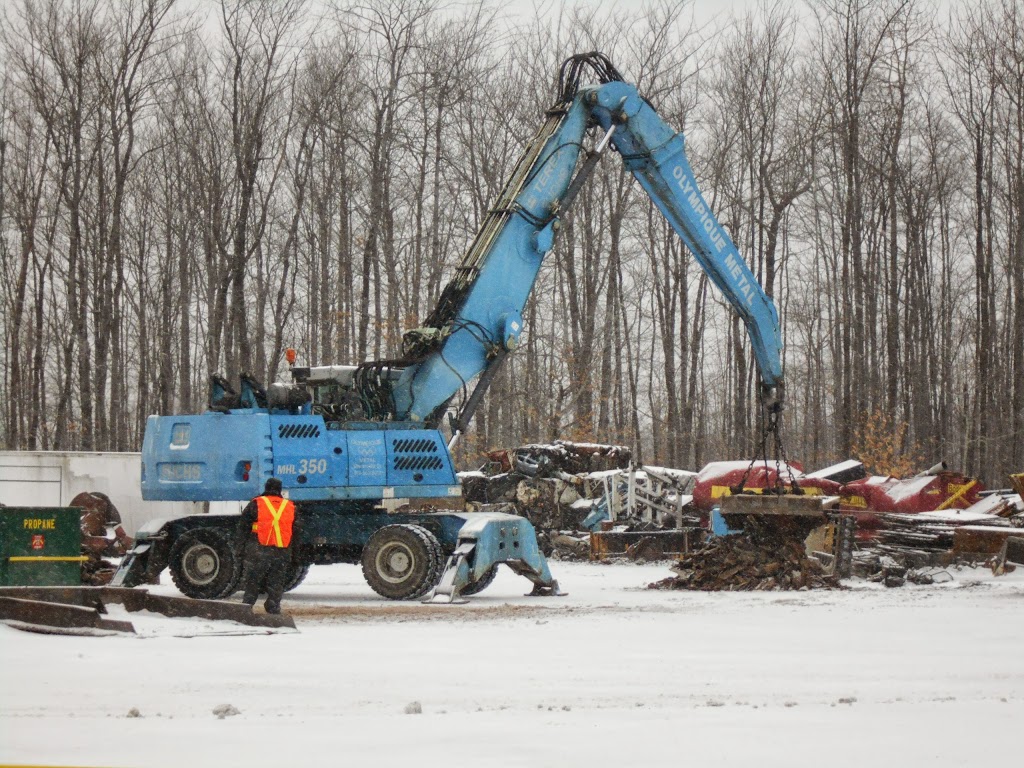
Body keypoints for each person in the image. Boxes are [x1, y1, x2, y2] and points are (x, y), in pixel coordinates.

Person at [237, 477, 297, 614]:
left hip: (259, 548)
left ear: (266, 488)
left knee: (253, 579)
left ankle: (246, 607)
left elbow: (243, 527)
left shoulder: (256, 503)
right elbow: (296, 532)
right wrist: (295, 554)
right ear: (280, 490)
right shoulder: (290, 506)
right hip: (282, 551)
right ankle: (273, 607)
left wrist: (240, 548)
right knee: (276, 581)